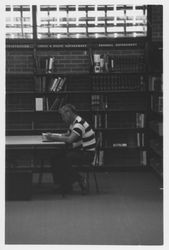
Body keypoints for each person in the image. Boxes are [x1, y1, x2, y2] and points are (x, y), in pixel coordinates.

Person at [45, 104, 96, 195]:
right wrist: (53, 135)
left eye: (63, 116)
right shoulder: (74, 122)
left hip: (86, 154)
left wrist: (53, 138)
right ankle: (62, 184)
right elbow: (68, 134)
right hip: (81, 151)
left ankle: (76, 179)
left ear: (68, 113)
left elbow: (69, 139)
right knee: (55, 158)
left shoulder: (78, 124)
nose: (62, 119)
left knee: (63, 160)